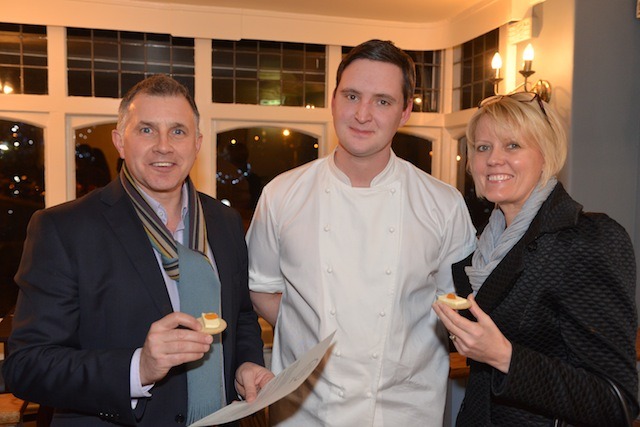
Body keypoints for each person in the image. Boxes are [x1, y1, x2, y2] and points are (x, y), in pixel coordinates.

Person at [2, 74, 273, 426]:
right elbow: (26, 365)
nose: (164, 145)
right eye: (146, 130)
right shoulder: (64, 229)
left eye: (178, 131)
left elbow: (240, 316)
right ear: (120, 141)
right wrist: (137, 368)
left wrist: (246, 364)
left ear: (197, 143)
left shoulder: (224, 221)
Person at [247, 39, 477, 426]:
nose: (362, 114)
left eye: (383, 101)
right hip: (307, 410)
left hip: (406, 410)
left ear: (405, 112)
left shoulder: (444, 204)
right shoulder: (282, 195)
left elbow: (453, 304)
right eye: (351, 95)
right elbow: (261, 286)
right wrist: (316, 328)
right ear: (333, 100)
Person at [433, 92, 639, 426]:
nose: (493, 159)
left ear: (546, 154)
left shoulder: (587, 240)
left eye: (512, 145)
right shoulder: (479, 250)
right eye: (483, 147)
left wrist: (505, 357)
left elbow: (615, 402)